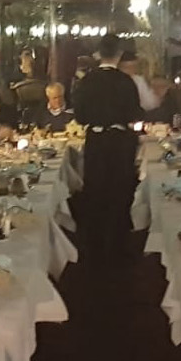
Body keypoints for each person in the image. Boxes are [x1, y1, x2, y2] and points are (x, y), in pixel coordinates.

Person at [72, 33, 143, 265]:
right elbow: (134, 113)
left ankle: (94, 246)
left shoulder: (86, 81)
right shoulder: (126, 81)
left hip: (96, 141)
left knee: (96, 191)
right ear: (119, 54)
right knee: (120, 191)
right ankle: (118, 245)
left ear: (98, 54)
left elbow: (80, 117)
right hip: (120, 142)